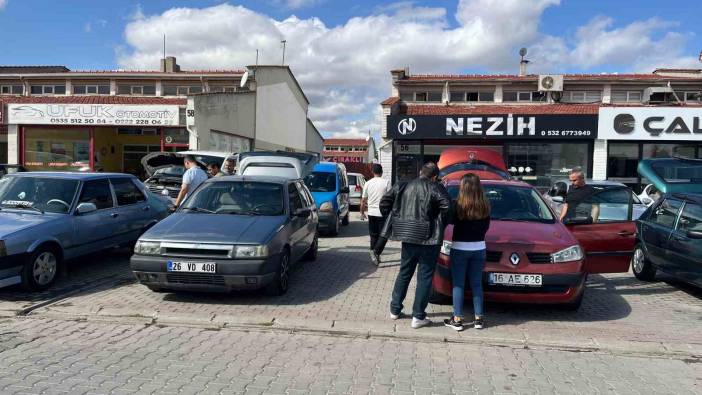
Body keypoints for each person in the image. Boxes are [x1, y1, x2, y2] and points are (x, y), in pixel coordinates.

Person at [381, 162, 450, 329]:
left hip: (408, 235)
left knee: (404, 272)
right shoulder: (436, 187)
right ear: (434, 177)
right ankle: (418, 316)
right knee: (425, 277)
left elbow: (384, 203)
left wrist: (397, 219)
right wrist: (439, 224)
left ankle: (395, 310)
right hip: (429, 239)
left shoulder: (403, 185)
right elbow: (447, 206)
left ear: (420, 172)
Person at [443, 174, 491, 331]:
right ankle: (478, 319)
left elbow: (448, 220)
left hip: (460, 247)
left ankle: (457, 320)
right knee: (477, 284)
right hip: (479, 248)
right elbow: (486, 227)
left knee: (458, 284)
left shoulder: (458, 205)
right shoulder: (485, 205)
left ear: (463, 188)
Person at [360, 164, 391, 266]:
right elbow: (390, 198)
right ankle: (376, 252)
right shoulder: (386, 182)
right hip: (383, 213)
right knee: (384, 235)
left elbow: (363, 200)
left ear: (372, 172)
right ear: (381, 172)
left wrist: (362, 212)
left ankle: (375, 254)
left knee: (373, 235)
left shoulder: (368, 183)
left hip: (371, 212)